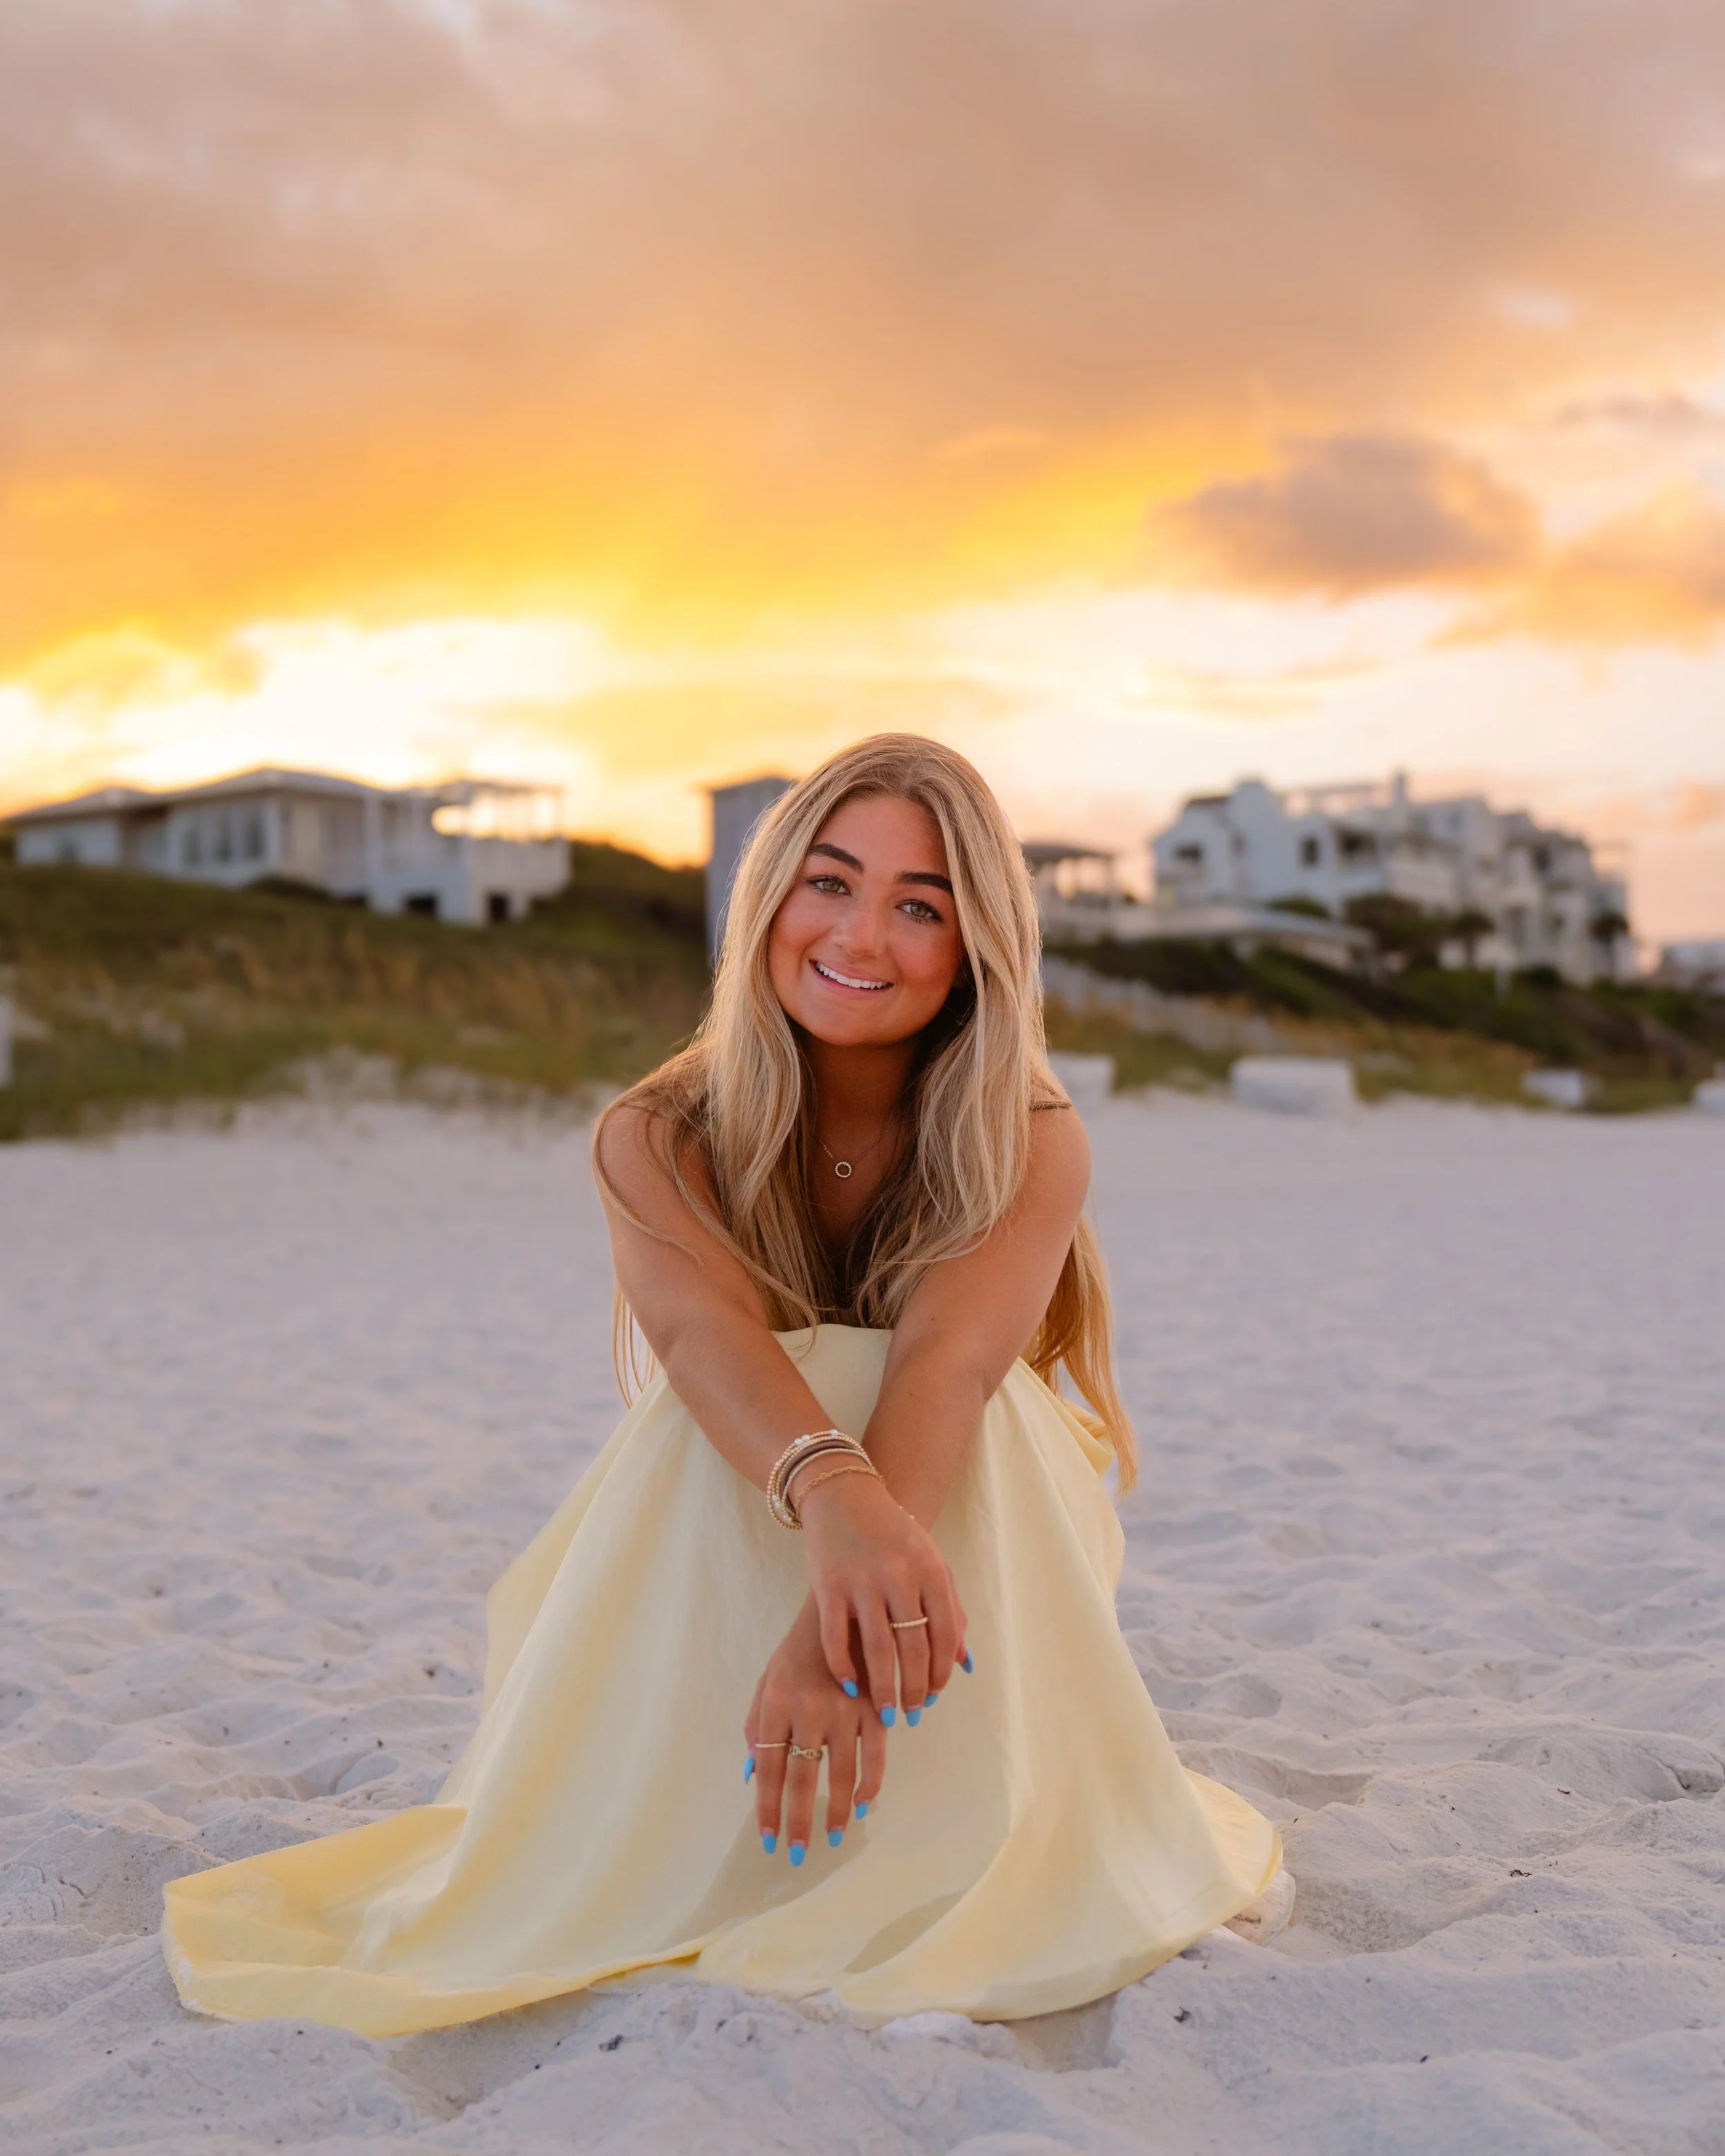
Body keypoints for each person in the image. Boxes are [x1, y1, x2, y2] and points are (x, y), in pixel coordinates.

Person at [163, 734, 1285, 2039]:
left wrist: (830, 1643)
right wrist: (834, 1504)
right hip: (743, 1501)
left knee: (881, 1366)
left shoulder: (1026, 1134)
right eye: (829, 881)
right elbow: (708, 1351)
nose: (861, 933)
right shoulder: (659, 1131)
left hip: (960, 1514)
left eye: (920, 905)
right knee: (802, 1373)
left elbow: (951, 1362)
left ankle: (945, 1829)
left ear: (978, 946)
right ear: (768, 899)